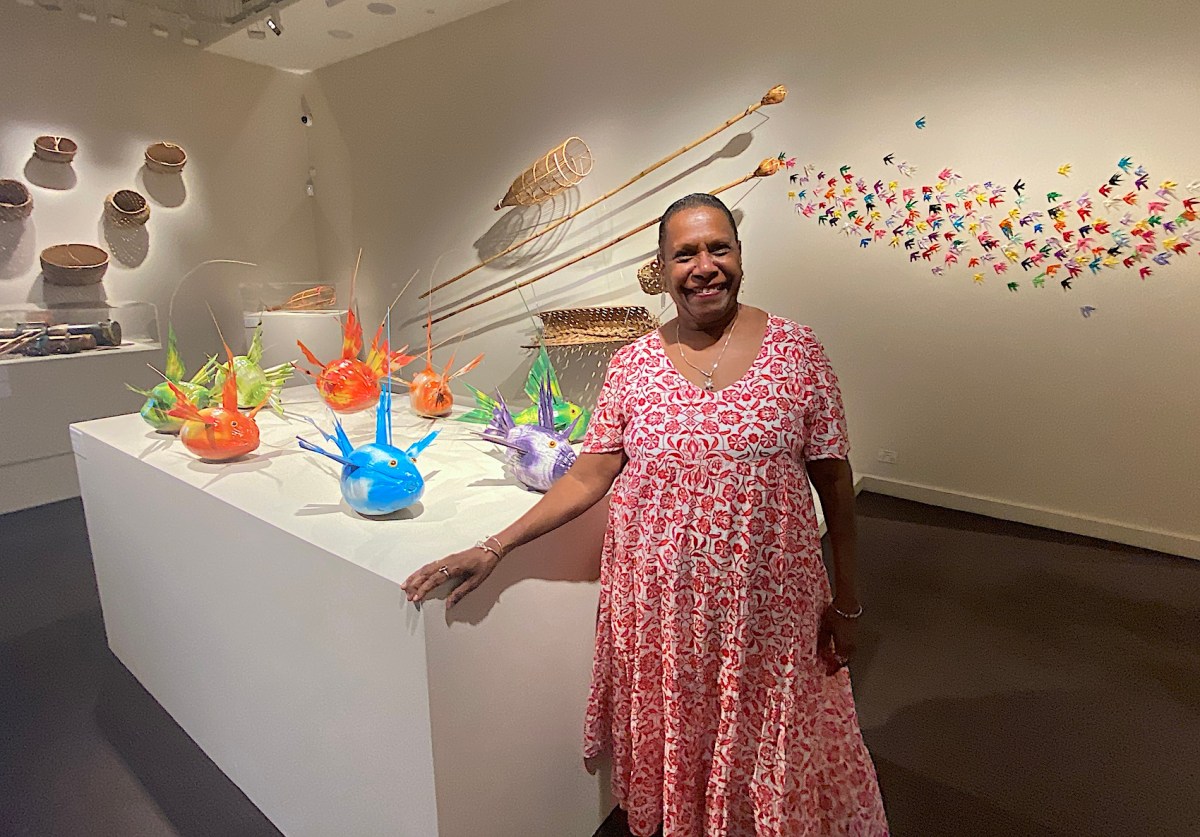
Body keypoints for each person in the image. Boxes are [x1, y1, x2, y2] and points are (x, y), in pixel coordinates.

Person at [402, 193, 888, 836]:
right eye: (685, 253)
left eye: (719, 247)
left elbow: (834, 480)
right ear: (662, 269)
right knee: (687, 727)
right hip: (662, 609)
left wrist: (848, 602)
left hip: (765, 606)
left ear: (740, 258)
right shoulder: (631, 364)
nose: (705, 265)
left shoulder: (798, 351)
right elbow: (588, 472)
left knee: (769, 730)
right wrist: (495, 546)